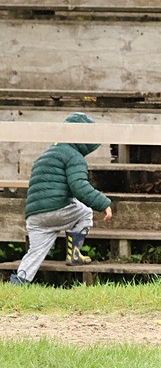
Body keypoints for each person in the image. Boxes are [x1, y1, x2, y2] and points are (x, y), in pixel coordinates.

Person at [9, 113, 113, 285]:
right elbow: (79, 186)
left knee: (35, 252)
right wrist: (103, 203)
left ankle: (19, 282)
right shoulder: (73, 156)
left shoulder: (45, 155)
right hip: (56, 209)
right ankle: (74, 254)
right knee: (85, 212)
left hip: (34, 215)